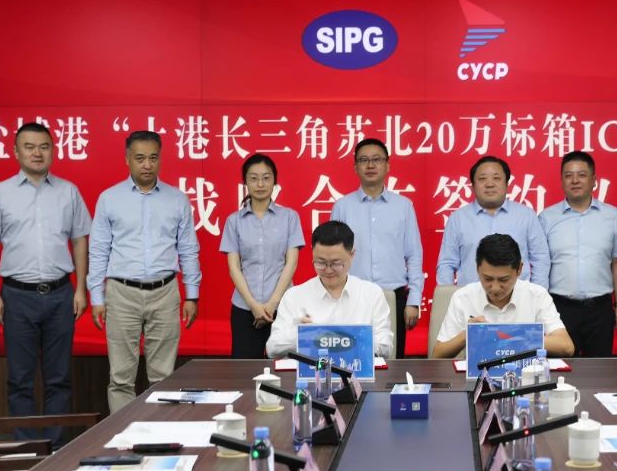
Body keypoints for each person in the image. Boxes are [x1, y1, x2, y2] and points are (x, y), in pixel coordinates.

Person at [0, 122, 91, 442]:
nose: (37, 153)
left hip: (60, 294)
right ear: (16, 152)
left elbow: (80, 241)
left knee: (59, 378)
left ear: (53, 151)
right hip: (17, 296)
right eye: (29, 147)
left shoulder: (68, 191)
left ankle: (56, 448)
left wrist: (81, 289)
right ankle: (26, 448)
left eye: (44, 146)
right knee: (20, 380)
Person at [88, 131, 201, 413]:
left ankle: (160, 431)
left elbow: (188, 249)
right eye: (140, 158)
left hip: (165, 292)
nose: (147, 165)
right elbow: (98, 249)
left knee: (163, 377)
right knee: (120, 378)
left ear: (160, 159)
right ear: (127, 159)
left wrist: (192, 295)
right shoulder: (109, 199)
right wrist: (96, 297)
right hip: (121, 293)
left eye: (153, 158)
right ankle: (123, 433)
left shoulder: (177, 199)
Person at [330, 138, 423, 357]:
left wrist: (414, 301)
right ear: (355, 167)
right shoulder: (342, 207)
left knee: (391, 362)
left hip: (393, 296)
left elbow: (413, 254)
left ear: (387, 165)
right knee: (350, 358)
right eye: (364, 160)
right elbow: (332, 256)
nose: (370, 165)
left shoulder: (403, 206)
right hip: (351, 296)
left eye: (377, 160)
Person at [539, 151, 617, 357]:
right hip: (559, 308)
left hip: (600, 309)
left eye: (581, 175)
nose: (575, 180)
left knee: (599, 369)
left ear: (593, 180)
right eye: (569, 175)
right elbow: (540, 264)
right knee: (559, 368)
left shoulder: (612, 215)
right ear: (562, 180)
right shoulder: (546, 218)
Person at [431, 233, 574, 360]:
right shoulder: (463, 297)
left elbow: (566, 346)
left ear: (519, 269)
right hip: (479, 377)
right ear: (477, 269)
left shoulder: (537, 295)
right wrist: (467, 335)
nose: (495, 288)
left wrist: (515, 337)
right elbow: (437, 355)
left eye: (503, 280)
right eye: (487, 278)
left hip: (526, 376)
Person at [265, 220, 393, 358]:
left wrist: (341, 339)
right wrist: (300, 335)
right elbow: (272, 348)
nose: (328, 270)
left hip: (358, 369)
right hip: (312, 370)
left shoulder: (372, 294)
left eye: (336, 263)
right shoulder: (294, 296)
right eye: (320, 263)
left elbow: (385, 346)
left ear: (352, 254)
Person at [220, 154, 304, 358]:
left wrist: (272, 304)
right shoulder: (234, 221)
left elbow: (291, 263)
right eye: (254, 178)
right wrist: (254, 306)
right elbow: (234, 268)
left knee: (285, 368)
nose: (260, 184)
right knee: (244, 370)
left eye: (266, 178)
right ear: (245, 182)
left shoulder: (289, 217)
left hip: (283, 307)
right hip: (244, 308)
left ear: (275, 181)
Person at [436, 155, 550, 287]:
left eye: (496, 178)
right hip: (471, 297)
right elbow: (446, 264)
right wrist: (449, 296)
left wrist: (536, 294)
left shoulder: (526, 216)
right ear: (473, 185)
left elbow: (540, 259)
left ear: (507, 183)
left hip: (518, 297)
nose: (489, 184)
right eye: (482, 179)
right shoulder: (457, 219)